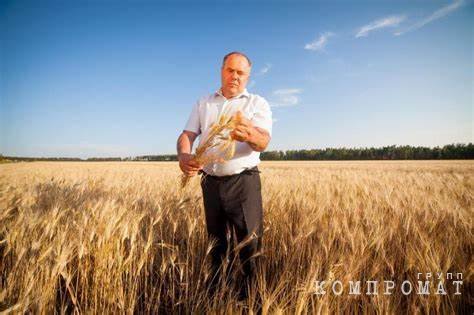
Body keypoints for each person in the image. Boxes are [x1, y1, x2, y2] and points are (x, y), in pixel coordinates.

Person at [176, 51, 272, 298]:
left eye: (241, 73)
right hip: (210, 183)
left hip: (243, 183)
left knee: (250, 247)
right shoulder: (204, 102)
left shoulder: (257, 104)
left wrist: (249, 135)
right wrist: (184, 156)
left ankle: (251, 302)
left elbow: (263, 141)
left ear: (248, 76)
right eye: (230, 70)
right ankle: (218, 299)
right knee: (216, 246)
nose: (235, 76)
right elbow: (187, 135)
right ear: (221, 71)